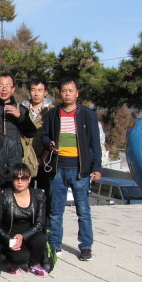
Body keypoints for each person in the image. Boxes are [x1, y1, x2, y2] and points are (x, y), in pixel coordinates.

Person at [42, 77, 101, 261]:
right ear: (60, 93)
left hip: (80, 170)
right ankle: (54, 245)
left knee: (83, 211)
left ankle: (86, 247)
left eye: (70, 90)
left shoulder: (88, 114)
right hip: (58, 168)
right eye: (64, 90)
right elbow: (44, 136)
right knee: (55, 211)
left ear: (77, 93)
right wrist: (50, 144)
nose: (67, 94)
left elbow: (95, 143)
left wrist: (96, 167)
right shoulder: (53, 114)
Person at [0, 163, 48, 276]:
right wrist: (7, 237)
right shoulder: (5, 195)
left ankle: (33, 264)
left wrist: (23, 236)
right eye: (16, 178)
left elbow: (40, 223)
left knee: (41, 239)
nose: (20, 181)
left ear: (29, 179)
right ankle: (9, 260)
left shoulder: (38, 196)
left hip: (29, 234)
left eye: (24, 178)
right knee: (21, 257)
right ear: (12, 180)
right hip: (10, 235)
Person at [0, 72, 37, 157]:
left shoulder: (21, 109)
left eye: (8, 86)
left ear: (13, 89)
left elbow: (31, 133)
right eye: (0, 86)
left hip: (15, 157)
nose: (4, 89)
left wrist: (20, 117)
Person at [22, 78, 54, 188]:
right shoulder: (21, 109)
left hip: (45, 162)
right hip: (25, 160)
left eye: (40, 90)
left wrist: (43, 158)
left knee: (44, 193)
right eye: (33, 90)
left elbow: (53, 136)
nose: (36, 93)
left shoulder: (52, 111)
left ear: (45, 92)